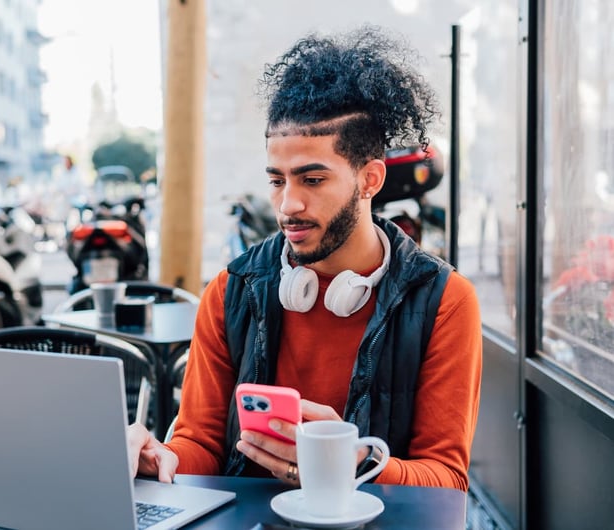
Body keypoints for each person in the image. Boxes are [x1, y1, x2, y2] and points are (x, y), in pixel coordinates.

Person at [128, 25, 482, 491]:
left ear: (370, 180)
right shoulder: (232, 290)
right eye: (277, 180)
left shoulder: (444, 301)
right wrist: (163, 458)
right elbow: (203, 445)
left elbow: (446, 478)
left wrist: (353, 462)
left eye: (312, 180)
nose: (288, 204)